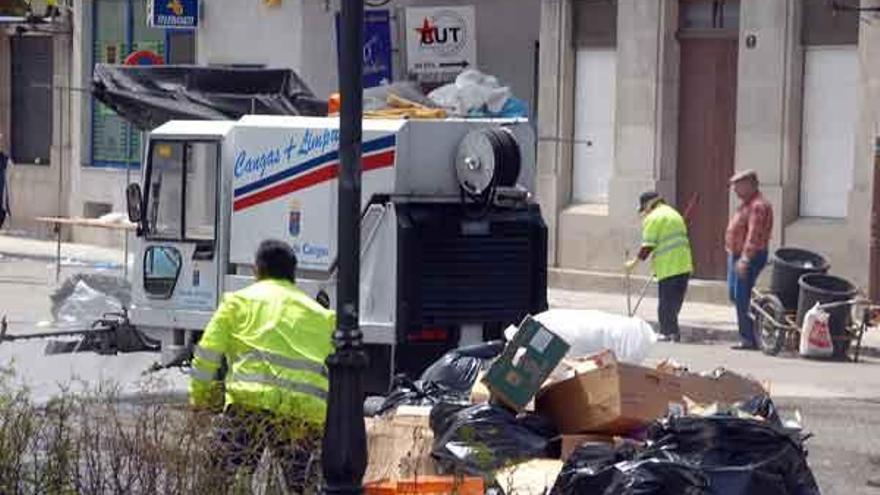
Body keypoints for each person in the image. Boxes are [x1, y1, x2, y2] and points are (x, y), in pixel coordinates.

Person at [189, 239, 335, 491]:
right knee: (302, 485)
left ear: (257, 270)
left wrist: (201, 400)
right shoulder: (322, 316)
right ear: (293, 274)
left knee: (215, 479)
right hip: (301, 413)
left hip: (248, 407)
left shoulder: (236, 303)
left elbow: (207, 356)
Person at [626, 192, 693, 342]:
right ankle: (674, 332)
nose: (645, 212)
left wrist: (633, 264)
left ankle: (666, 332)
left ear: (649, 204)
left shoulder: (653, 218)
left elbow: (647, 246)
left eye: (645, 208)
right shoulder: (674, 214)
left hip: (668, 266)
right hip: (684, 265)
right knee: (675, 302)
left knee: (665, 302)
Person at [725, 169, 774, 350]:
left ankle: (748, 338)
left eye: (738, 186)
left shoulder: (758, 206)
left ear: (750, 185)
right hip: (736, 254)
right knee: (734, 293)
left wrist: (745, 259)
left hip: (749, 255)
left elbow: (755, 235)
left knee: (741, 295)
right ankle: (751, 329)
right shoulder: (746, 204)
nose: (735, 190)